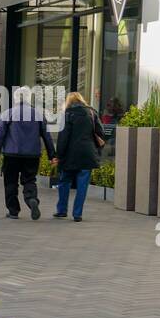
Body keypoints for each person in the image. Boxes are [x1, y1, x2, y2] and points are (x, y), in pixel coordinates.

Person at [0, 88, 56, 220]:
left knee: (10, 182)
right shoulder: (38, 114)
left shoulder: (8, 113)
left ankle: (13, 211)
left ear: (15, 99)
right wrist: (52, 155)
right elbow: (47, 136)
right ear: (28, 98)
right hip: (32, 155)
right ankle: (32, 199)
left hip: (11, 154)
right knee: (29, 180)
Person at [54, 92, 105, 222]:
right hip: (87, 154)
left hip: (70, 155)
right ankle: (77, 214)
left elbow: (63, 137)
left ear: (69, 102)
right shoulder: (92, 112)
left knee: (64, 181)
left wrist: (58, 155)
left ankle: (61, 210)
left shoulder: (67, 114)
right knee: (82, 185)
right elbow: (101, 132)